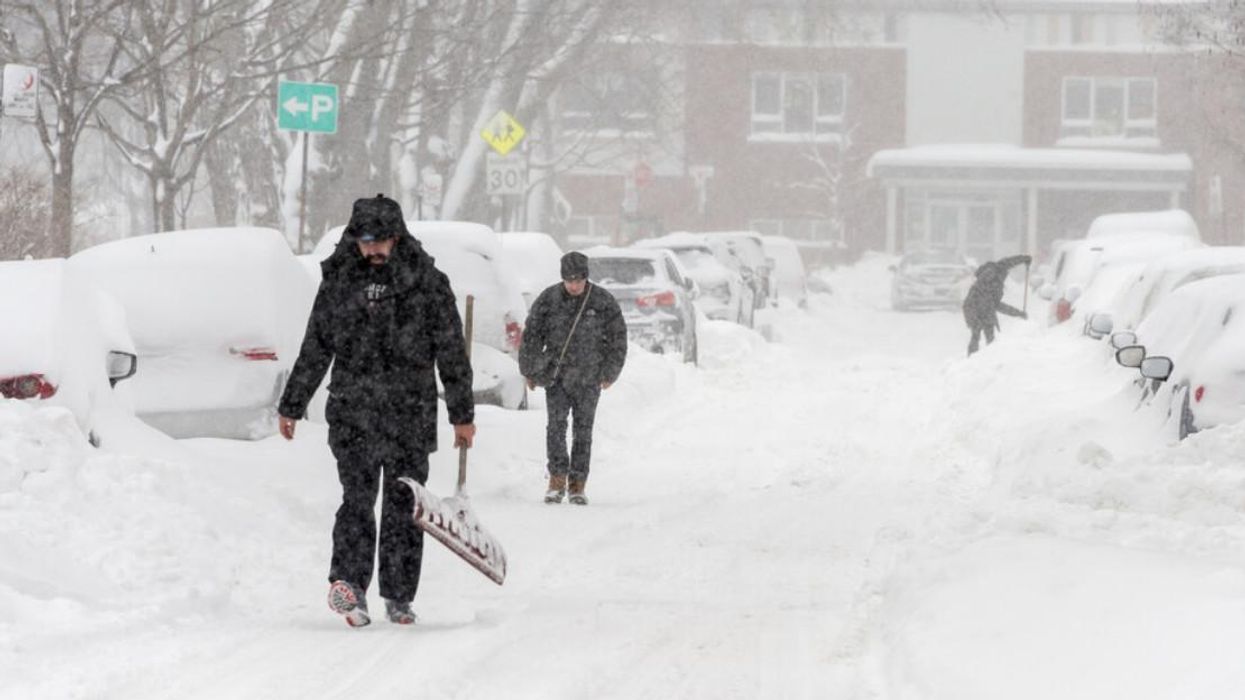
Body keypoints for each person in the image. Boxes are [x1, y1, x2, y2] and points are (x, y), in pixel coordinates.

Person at [276, 194, 476, 628]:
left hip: (410, 411)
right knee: (357, 501)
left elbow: (451, 351)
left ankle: (399, 596)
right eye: (365, 242)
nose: (373, 250)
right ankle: (350, 586)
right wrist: (292, 403)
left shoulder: (426, 280)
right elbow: (316, 345)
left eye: (381, 241)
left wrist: (462, 414)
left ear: (397, 237)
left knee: (404, 504)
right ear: (354, 239)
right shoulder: (339, 281)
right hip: (354, 412)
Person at [519, 251, 627, 505]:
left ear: (586, 278)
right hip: (557, 376)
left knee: (583, 431)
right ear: (562, 279)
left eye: (578, 280)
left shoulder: (602, 301)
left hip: (590, 378)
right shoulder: (549, 300)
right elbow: (532, 336)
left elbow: (618, 339)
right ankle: (556, 480)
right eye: (569, 280)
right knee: (555, 428)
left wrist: (610, 372)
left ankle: (578, 484)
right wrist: (530, 370)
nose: (574, 285)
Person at [962, 254, 1032, 356]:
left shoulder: (996, 276)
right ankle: (973, 361)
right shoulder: (993, 273)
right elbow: (996, 304)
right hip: (974, 308)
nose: (1007, 274)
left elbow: (997, 305)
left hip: (979, 307)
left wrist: (1018, 313)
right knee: (977, 334)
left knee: (987, 335)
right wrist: (1024, 258)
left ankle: (985, 358)